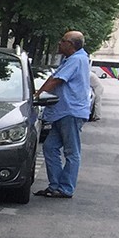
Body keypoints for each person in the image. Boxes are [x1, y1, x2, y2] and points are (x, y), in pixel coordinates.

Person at [35, 30, 92, 198]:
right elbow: (54, 77)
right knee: (50, 147)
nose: (59, 43)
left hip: (70, 112)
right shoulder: (73, 59)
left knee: (71, 152)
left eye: (63, 41)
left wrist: (37, 96)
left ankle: (65, 188)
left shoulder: (76, 59)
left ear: (71, 45)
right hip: (63, 112)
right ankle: (56, 186)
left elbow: (56, 80)